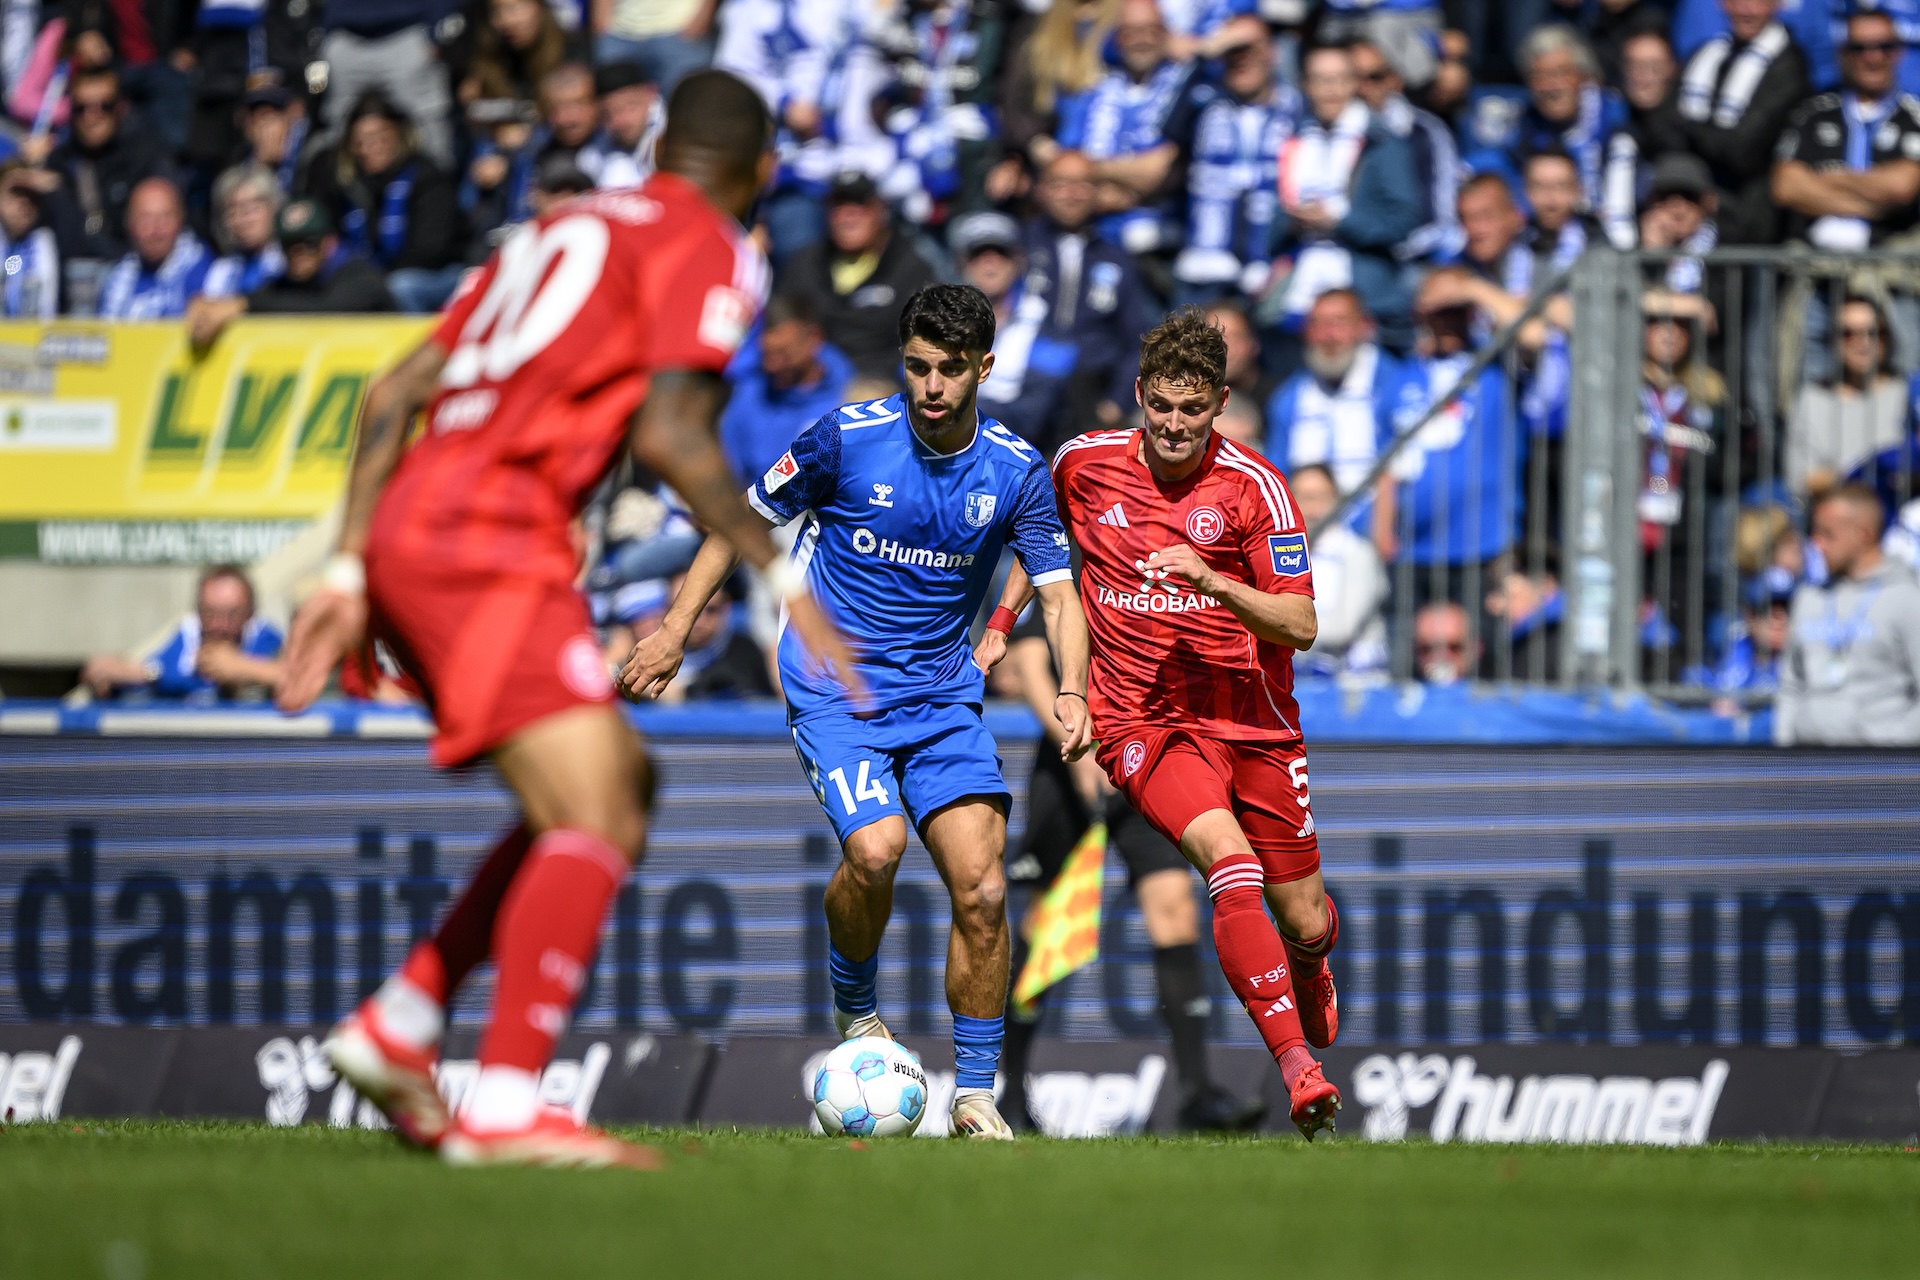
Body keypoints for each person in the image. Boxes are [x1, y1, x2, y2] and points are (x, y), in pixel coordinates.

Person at [277, 69, 850, 1168]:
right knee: (600, 803)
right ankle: (500, 1099)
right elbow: (677, 432)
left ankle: (403, 1021)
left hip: (420, 525)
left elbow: (390, 395)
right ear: (759, 171)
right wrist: (782, 577)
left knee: (613, 787)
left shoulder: (559, 226)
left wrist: (350, 569)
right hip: (485, 537)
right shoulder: (717, 242)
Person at [623, 283, 1090, 1142]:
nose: (931, 387)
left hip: (944, 698)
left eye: (951, 370)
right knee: (875, 852)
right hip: (836, 691)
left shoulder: (1016, 470)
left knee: (983, 889)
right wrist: (673, 631)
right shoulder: (846, 438)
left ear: (984, 368)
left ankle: (976, 1096)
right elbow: (739, 521)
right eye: (917, 367)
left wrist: (1070, 689)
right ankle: (857, 1011)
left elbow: (1058, 594)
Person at [980, 307, 1344, 1140]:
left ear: (1220, 403)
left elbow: (1301, 624)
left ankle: (1314, 956)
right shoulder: (1083, 465)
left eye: (1194, 409)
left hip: (1252, 722)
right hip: (1140, 718)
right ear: (1140, 395)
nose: (1176, 426)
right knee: (1225, 863)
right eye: (1163, 406)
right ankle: (1298, 1070)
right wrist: (1002, 624)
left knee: (1302, 915)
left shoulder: (1256, 489)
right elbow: (1040, 547)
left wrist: (1217, 586)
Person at [994, 603, 1265, 1134]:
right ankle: (1010, 1092)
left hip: (1144, 763)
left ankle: (1197, 1095)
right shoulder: (1069, 555)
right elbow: (1029, 665)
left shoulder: (1153, 563)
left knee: (1176, 912)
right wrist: (1081, 747)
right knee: (1045, 929)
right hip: (1073, 765)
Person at [1272, 43, 1423, 349]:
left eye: (1339, 79)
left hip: (1363, 287)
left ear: (1354, 83)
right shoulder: (1294, 139)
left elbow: (1404, 218)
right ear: (1305, 85)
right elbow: (1271, 215)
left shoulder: (1381, 142)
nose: (1330, 90)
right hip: (1301, 282)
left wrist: (1340, 220)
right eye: (1320, 80)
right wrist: (1293, 222)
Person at [1462, 25, 1638, 250]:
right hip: (1542, 241)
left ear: (1582, 76)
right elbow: (1500, 166)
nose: (1550, 86)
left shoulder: (1613, 118)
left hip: (1606, 238)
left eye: (1559, 73)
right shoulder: (1525, 125)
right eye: (1539, 76)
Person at [1775, 484, 1920, 745]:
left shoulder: (1907, 598)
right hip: (1808, 765)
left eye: (1827, 534)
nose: (1816, 544)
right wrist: (1784, 751)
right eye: (1814, 533)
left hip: (1879, 770)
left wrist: (1893, 746)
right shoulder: (1809, 598)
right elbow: (1790, 686)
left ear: (1863, 533)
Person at [1663, 0, 1811, 244]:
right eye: (1737, 0)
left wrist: (1687, 126)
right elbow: (1663, 126)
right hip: (1696, 206)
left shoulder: (1789, 65)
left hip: (1753, 220)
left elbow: (1742, 150)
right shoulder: (1706, 54)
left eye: (1758, 1)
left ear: (1777, 5)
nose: (1746, 10)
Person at [1171, 21, 1299, 304]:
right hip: (1203, 268)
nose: (1241, 58)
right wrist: (1206, 53)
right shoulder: (1204, 104)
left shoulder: (1296, 110)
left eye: (1250, 48)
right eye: (1232, 51)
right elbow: (1166, 124)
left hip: (1270, 269)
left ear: (1272, 52)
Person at [1772, 10, 1920, 252]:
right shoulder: (1812, 113)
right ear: (1843, 54)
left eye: (1884, 46)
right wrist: (1875, 206)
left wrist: (1829, 178)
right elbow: (1786, 187)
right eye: (1859, 48)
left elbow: (1902, 188)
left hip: (1890, 268)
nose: (1873, 58)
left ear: (1899, 52)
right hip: (1814, 267)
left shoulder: (1915, 118)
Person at [309, 93, 466, 314]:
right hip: (370, 276)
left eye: (379, 136)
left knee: (400, 287)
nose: (369, 147)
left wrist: (375, 281)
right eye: (359, 140)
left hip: (436, 274)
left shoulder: (426, 176)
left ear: (398, 134)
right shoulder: (345, 183)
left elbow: (430, 250)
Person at [777, 170, 941, 379]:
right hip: (812, 384)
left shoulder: (912, 267)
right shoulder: (803, 265)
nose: (848, 215)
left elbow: (925, 344)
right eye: (839, 206)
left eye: (859, 204)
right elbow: (782, 324)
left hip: (882, 385)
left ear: (879, 209)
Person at [1267, 289, 1407, 532]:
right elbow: (1277, 473)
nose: (1328, 335)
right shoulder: (1288, 398)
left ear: (1365, 327)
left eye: (1340, 323)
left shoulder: (1395, 384)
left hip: (1375, 535)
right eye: (1318, 324)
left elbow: (1403, 467)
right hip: (1306, 537)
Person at [185, 200, 397, 347]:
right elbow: (265, 296)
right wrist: (210, 305)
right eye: (289, 244)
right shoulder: (288, 281)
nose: (299, 252)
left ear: (329, 242)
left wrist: (243, 305)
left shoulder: (362, 276)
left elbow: (326, 309)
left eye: (309, 242)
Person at [80, 564, 283, 703]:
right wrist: (111, 674)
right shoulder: (188, 633)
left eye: (232, 614)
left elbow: (295, 679)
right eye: (210, 612)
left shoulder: (268, 639)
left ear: (251, 613)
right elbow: (155, 671)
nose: (219, 625)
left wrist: (245, 669)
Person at [718, 291, 855, 486]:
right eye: (767, 355)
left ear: (814, 339)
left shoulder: (850, 396)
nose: (773, 365)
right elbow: (729, 476)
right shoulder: (748, 396)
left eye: (784, 353)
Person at [40, 64, 174, 258]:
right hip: (74, 271)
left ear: (120, 108)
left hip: (133, 270)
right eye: (81, 108)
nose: (92, 117)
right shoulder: (58, 162)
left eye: (105, 106)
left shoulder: (146, 155)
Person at [1352, 37, 1463, 265]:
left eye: (1374, 77)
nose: (1362, 88)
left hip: (1408, 260)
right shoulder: (1324, 129)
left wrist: (1391, 251)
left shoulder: (1426, 133)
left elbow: (1441, 219)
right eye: (1353, 77)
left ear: (1395, 80)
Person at [1787, 296, 1910, 500]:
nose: (1861, 342)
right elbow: (1801, 480)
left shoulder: (1908, 393)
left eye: (1872, 332)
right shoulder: (1813, 400)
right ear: (1832, 340)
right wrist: (1862, 473)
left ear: (1886, 338)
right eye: (1847, 334)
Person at [1288, 462, 1388, 675]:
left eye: (1320, 498)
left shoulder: (1359, 553)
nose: (1311, 509)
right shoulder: (1282, 555)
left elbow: (1343, 628)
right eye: (1302, 498)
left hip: (1353, 679)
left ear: (1336, 501)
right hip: (1298, 674)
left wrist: (1278, 627)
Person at [97, 177, 226, 319]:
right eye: (146, 219)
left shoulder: (209, 273)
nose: (156, 230)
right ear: (129, 223)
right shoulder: (117, 276)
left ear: (181, 221)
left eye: (165, 217)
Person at [594, 0, 718, 95]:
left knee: (687, 107)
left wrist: (701, 20)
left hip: (681, 30)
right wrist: (601, 21)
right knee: (618, 114)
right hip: (620, 33)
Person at [205, 164, 287, 297]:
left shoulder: (287, 259)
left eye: (253, 208)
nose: (243, 220)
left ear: (274, 207)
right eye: (232, 211)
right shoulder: (222, 270)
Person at [0, 160, 59, 318]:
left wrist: (51, 187)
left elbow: (76, 233)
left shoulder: (49, 241)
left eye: (31, 195)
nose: (24, 202)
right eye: (16, 193)